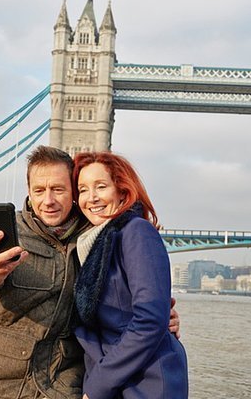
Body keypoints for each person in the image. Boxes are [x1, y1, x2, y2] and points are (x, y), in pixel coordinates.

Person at [0, 146, 180, 399]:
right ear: (29, 192)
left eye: (58, 189)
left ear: (72, 191)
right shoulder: (7, 230)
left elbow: (133, 300)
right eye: (39, 191)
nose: (48, 201)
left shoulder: (98, 236)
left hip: (61, 385)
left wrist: (160, 317)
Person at [73, 152, 189, 399]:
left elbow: (149, 320)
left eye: (100, 187)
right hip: (119, 379)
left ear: (123, 192)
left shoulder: (136, 231)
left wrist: (97, 387)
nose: (91, 198)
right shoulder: (92, 244)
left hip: (146, 383)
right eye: (82, 190)